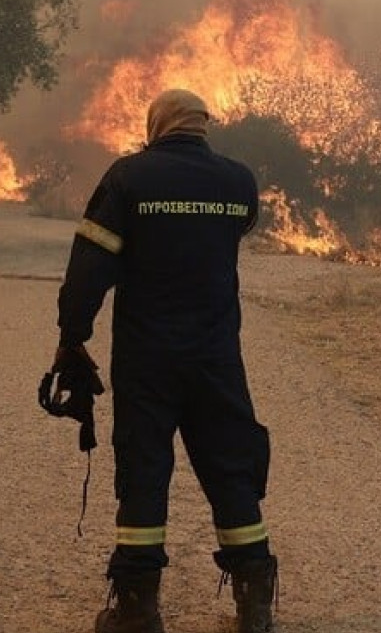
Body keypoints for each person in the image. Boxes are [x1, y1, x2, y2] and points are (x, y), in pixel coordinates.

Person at [49, 88, 277, 633]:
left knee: (144, 471)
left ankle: (137, 611)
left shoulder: (129, 178)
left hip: (147, 361)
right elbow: (240, 228)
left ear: (156, 126)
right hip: (216, 359)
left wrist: (72, 336)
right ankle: (255, 606)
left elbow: (90, 266)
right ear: (203, 125)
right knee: (230, 468)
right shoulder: (238, 181)